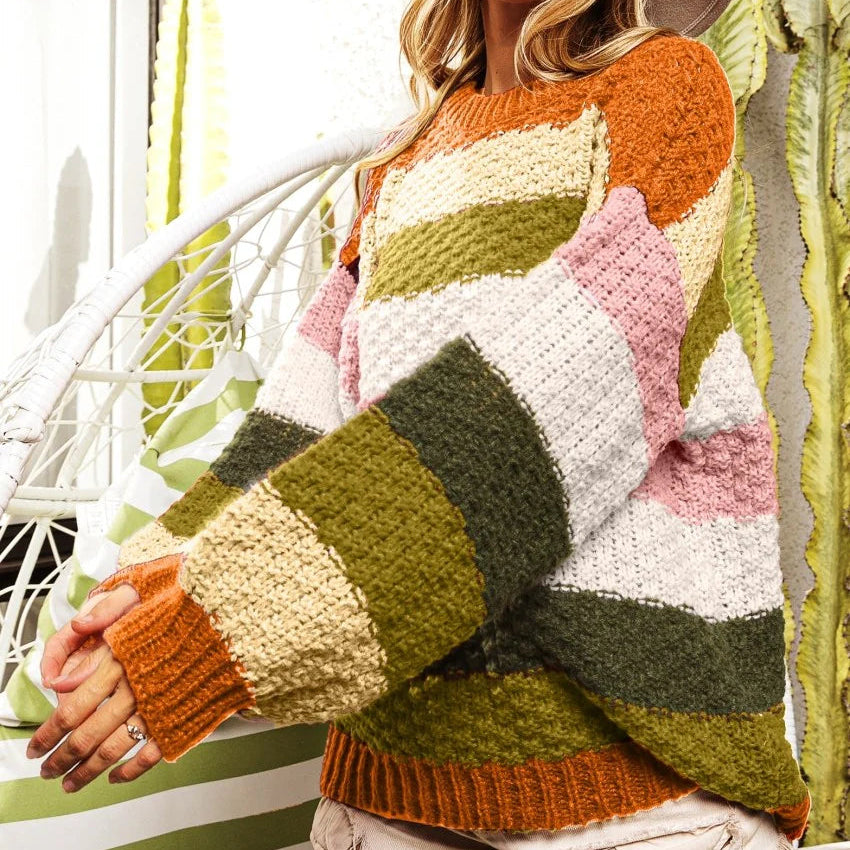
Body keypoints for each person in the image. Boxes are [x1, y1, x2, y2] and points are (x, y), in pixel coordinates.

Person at [26, 1, 811, 849]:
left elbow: (545, 406)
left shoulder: (665, 91)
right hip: (389, 799)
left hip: (628, 801)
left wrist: (213, 635)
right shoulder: (405, 159)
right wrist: (143, 598)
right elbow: (300, 427)